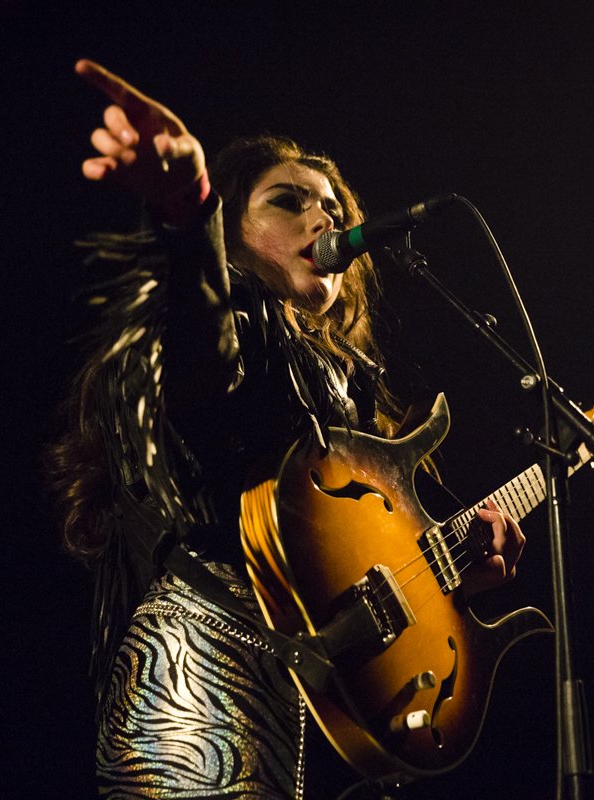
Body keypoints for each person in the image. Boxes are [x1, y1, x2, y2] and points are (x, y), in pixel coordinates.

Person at [46, 59, 526, 798]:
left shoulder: (350, 402)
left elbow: (356, 578)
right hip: (204, 688)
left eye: (332, 205)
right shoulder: (224, 331)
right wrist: (187, 211)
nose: (325, 216)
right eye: (288, 200)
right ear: (230, 233)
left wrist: (456, 575)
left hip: (324, 726)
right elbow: (207, 373)